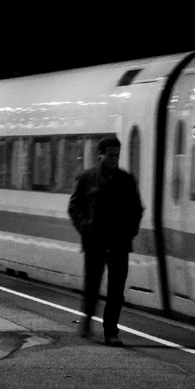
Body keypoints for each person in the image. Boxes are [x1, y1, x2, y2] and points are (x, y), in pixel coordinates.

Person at [67, 135, 144, 345]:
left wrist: (130, 231)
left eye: (117, 155)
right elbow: (74, 207)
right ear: (100, 155)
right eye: (110, 155)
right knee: (92, 285)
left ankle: (111, 331)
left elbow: (136, 209)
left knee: (116, 291)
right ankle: (87, 318)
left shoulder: (127, 180)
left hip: (119, 243)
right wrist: (86, 228)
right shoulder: (86, 179)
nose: (114, 159)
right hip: (95, 242)